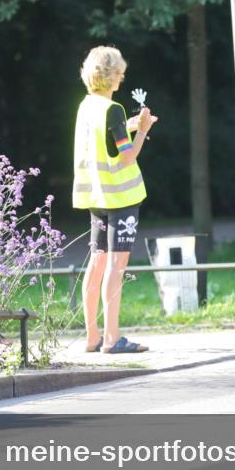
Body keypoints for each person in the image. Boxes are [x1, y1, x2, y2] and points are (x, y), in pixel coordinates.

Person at [72, 46, 157, 354]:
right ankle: (113, 337)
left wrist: (131, 124)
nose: (122, 79)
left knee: (96, 262)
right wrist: (142, 130)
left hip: (96, 196)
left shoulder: (87, 106)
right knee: (116, 265)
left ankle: (92, 336)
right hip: (121, 197)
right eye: (120, 74)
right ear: (109, 76)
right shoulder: (113, 109)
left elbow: (106, 136)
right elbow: (126, 157)